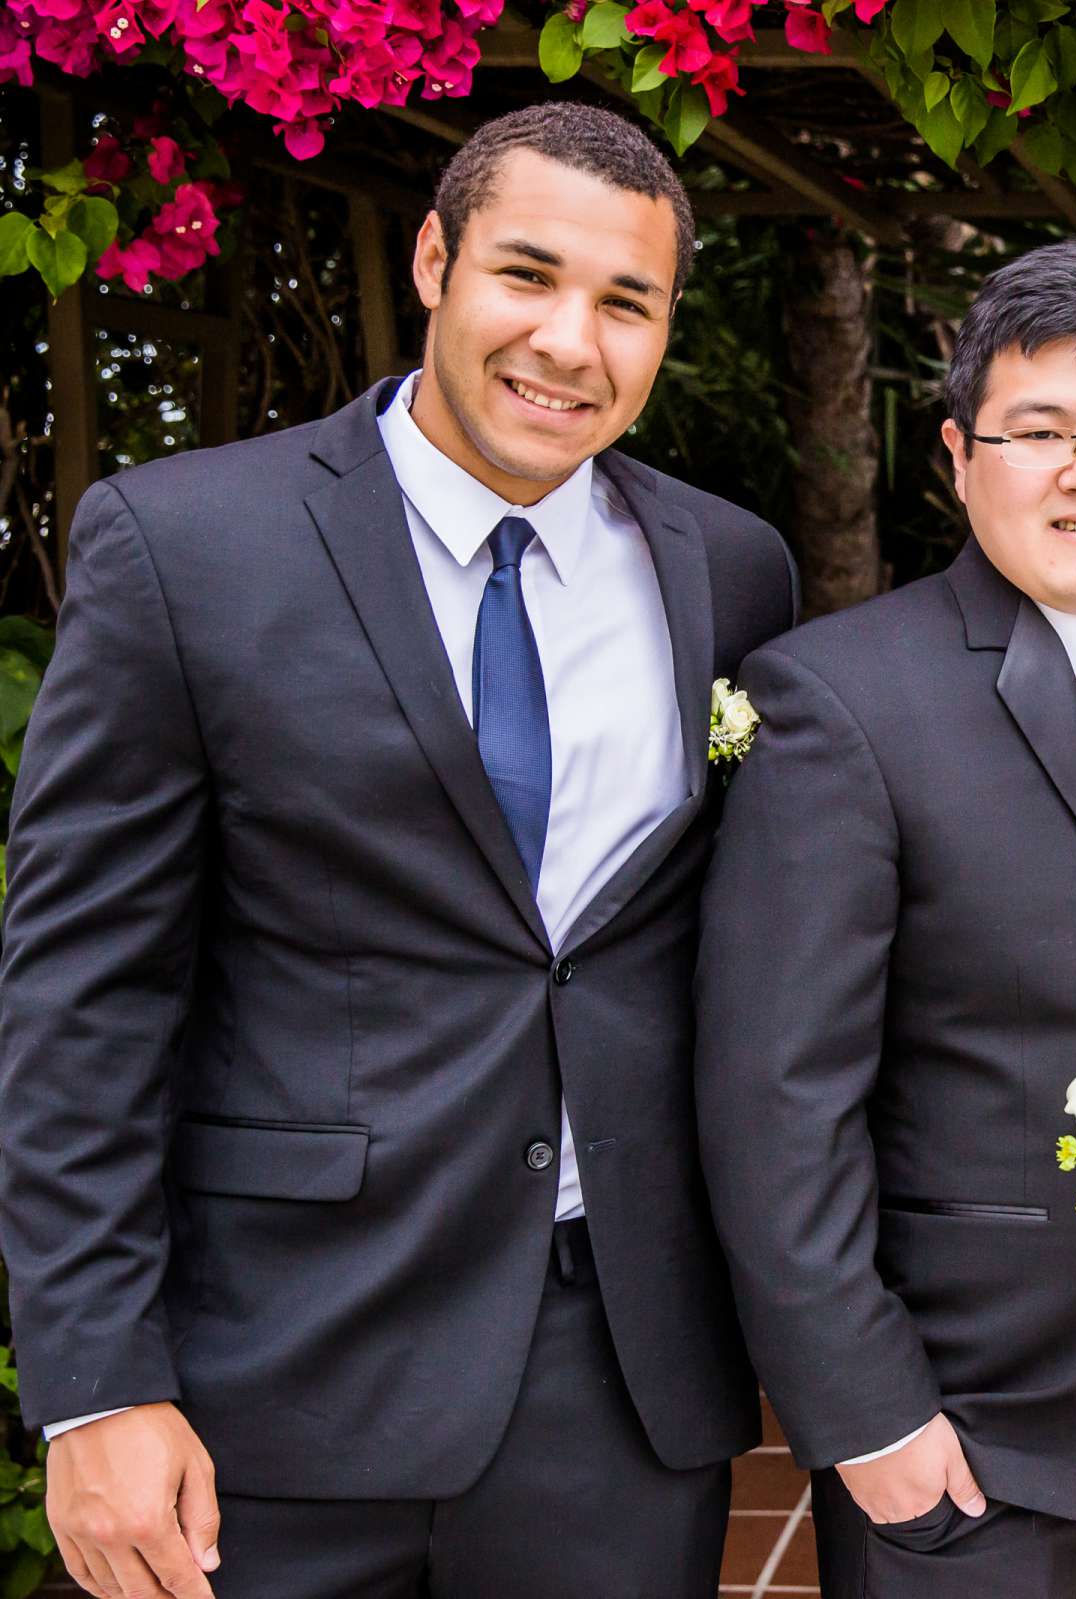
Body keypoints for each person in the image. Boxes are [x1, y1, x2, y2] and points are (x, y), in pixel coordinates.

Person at [0, 102, 798, 1598]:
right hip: (279, 1369)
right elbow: (83, 995)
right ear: (434, 259)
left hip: (622, 1386)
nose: (569, 341)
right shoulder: (185, 547)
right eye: (527, 276)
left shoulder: (733, 571)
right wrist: (98, 1383)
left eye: (626, 302)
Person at [692, 239, 1076, 1599]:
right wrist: (865, 1412)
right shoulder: (839, 701)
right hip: (976, 1431)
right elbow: (774, 1093)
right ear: (958, 455)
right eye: (1040, 432)